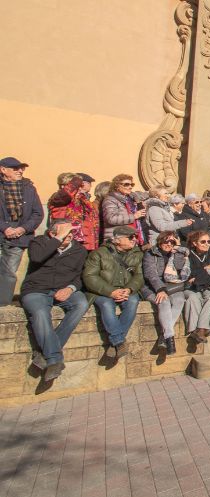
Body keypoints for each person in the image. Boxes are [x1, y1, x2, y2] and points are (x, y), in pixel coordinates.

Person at [20, 219, 89, 381]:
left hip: (64, 290)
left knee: (81, 303)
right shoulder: (38, 243)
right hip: (36, 289)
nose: (70, 236)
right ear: (52, 233)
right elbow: (37, 258)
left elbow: (80, 277)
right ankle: (54, 359)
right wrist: (57, 240)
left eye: (71, 233)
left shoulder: (79, 251)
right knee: (40, 313)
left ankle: (45, 352)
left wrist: (70, 288)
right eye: (66, 233)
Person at [84, 226, 145, 359]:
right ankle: (119, 341)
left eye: (135, 237)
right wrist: (111, 292)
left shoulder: (137, 254)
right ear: (117, 240)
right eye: (130, 237)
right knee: (106, 305)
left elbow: (139, 276)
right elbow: (90, 276)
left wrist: (129, 289)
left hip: (126, 289)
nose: (134, 240)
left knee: (133, 301)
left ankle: (115, 344)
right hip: (102, 291)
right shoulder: (99, 253)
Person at [0, 157, 44, 306]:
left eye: (22, 168)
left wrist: (22, 229)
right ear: (3, 169)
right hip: (3, 230)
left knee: (9, 272)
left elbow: (38, 213)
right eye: (15, 168)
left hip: (19, 235)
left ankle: (2, 305)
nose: (20, 171)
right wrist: (5, 228)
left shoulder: (28, 188)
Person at [142, 231, 189, 355]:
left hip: (172, 287)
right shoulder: (151, 253)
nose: (169, 244)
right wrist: (160, 289)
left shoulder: (176, 252)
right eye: (166, 241)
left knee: (179, 300)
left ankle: (164, 336)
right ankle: (169, 336)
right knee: (164, 301)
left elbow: (179, 268)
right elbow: (150, 274)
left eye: (172, 242)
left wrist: (178, 248)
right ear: (160, 241)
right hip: (152, 287)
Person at [47, 173, 100, 251]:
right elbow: (65, 194)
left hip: (87, 243)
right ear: (63, 186)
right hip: (68, 242)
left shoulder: (83, 199)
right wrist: (77, 180)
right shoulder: (59, 198)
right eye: (77, 186)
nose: (80, 188)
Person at [185, 230, 210, 343]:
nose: (207, 244)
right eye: (203, 241)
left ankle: (201, 329)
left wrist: (204, 269)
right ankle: (193, 330)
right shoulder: (188, 255)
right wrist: (207, 268)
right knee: (193, 298)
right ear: (195, 243)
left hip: (206, 286)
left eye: (209, 241)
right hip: (190, 287)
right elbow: (189, 275)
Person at [101, 174, 146, 245]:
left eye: (132, 184)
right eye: (126, 184)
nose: (130, 187)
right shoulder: (110, 200)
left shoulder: (130, 200)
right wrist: (133, 216)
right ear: (117, 186)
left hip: (131, 238)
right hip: (116, 240)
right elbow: (111, 219)